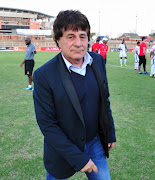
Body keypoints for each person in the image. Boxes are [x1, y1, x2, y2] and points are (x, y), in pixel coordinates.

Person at [33, 10, 116, 180]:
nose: (78, 43)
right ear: (58, 40)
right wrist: (78, 158)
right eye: (71, 36)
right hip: (62, 149)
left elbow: (104, 100)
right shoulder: (44, 75)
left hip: (95, 143)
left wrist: (109, 132)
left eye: (83, 36)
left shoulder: (97, 61)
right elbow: (47, 124)